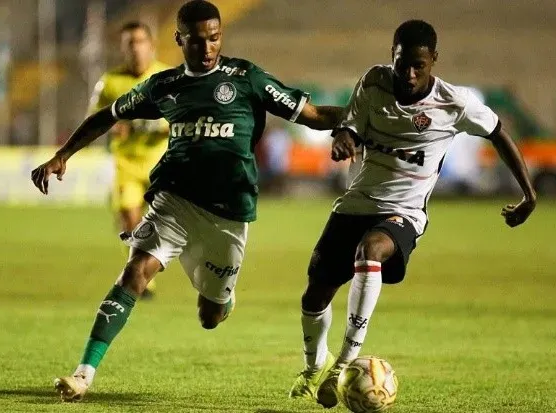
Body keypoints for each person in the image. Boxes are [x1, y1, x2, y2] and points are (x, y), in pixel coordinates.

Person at [30, 0, 343, 402]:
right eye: (196, 40)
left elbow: (313, 114)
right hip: (174, 200)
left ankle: (223, 298)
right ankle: (83, 374)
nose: (207, 47)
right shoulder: (164, 85)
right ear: (179, 40)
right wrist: (63, 154)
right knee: (135, 273)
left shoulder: (247, 78)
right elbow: (107, 115)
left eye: (214, 38)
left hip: (228, 215)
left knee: (209, 317)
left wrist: (363, 121)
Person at [288, 20, 537, 408]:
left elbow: (499, 132)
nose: (409, 73)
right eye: (402, 62)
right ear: (392, 53)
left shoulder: (455, 104)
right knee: (315, 295)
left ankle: (344, 363)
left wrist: (529, 193)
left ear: (434, 60)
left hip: (403, 212)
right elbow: (352, 125)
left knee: (371, 250)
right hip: (357, 202)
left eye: (419, 65)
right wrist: (343, 139)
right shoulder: (373, 82)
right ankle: (311, 367)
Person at [87, 21, 172, 299]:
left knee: (163, 225)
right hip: (126, 163)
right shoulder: (110, 82)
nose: (136, 48)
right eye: (129, 43)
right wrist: (115, 126)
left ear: (152, 45)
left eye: (140, 41)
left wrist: (169, 125)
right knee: (130, 220)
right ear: (123, 48)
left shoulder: (168, 77)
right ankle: (143, 280)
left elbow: (187, 113)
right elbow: (95, 120)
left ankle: (148, 266)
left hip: (162, 162)